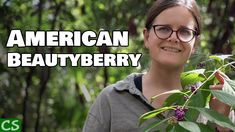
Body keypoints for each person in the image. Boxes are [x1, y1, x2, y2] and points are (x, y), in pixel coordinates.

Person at [82, 0, 234, 131]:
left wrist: (222, 125)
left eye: (184, 31)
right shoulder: (111, 100)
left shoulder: (215, 102)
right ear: (147, 37)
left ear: (195, 44)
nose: (173, 38)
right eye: (164, 29)